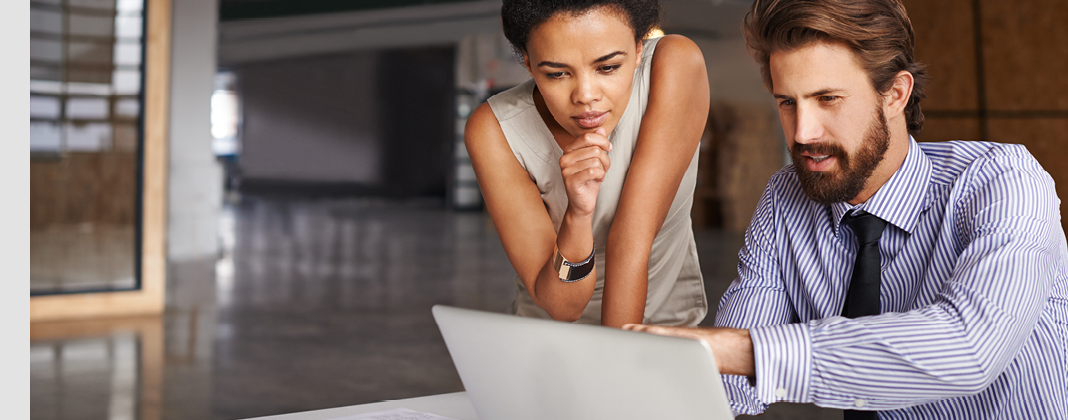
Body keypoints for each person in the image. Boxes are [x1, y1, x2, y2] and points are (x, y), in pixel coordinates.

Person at [625, 0, 1068, 418]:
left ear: (895, 94)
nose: (801, 133)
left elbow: (971, 349)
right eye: (787, 102)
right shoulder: (785, 200)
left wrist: (742, 352)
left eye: (828, 99)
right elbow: (729, 385)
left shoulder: (1003, 180)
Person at [465, 0, 711, 327]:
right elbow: (563, 308)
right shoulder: (494, 129)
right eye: (556, 73)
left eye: (607, 67)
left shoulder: (674, 63)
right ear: (529, 63)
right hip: (547, 342)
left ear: (638, 49)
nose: (585, 95)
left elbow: (631, 241)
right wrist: (578, 215)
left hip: (658, 336)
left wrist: (611, 364)